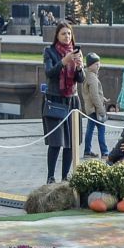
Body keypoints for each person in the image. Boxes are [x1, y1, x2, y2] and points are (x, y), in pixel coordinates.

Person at [41, 22, 83, 185]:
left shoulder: (76, 52)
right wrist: (64, 61)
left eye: (69, 34)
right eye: (63, 34)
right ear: (57, 36)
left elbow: (81, 79)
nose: (67, 36)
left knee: (71, 142)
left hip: (72, 100)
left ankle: (65, 177)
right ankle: (50, 177)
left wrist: (80, 68)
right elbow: (49, 72)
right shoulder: (49, 51)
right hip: (55, 100)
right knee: (56, 141)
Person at [78, 53, 110, 158]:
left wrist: (103, 98)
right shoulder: (92, 77)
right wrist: (101, 110)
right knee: (101, 130)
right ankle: (105, 152)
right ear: (90, 65)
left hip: (89, 108)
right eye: (96, 64)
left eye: (99, 63)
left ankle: (87, 151)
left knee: (90, 130)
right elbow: (94, 95)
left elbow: (92, 93)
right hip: (95, 109)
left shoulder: (86, 74)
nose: (98, 65)